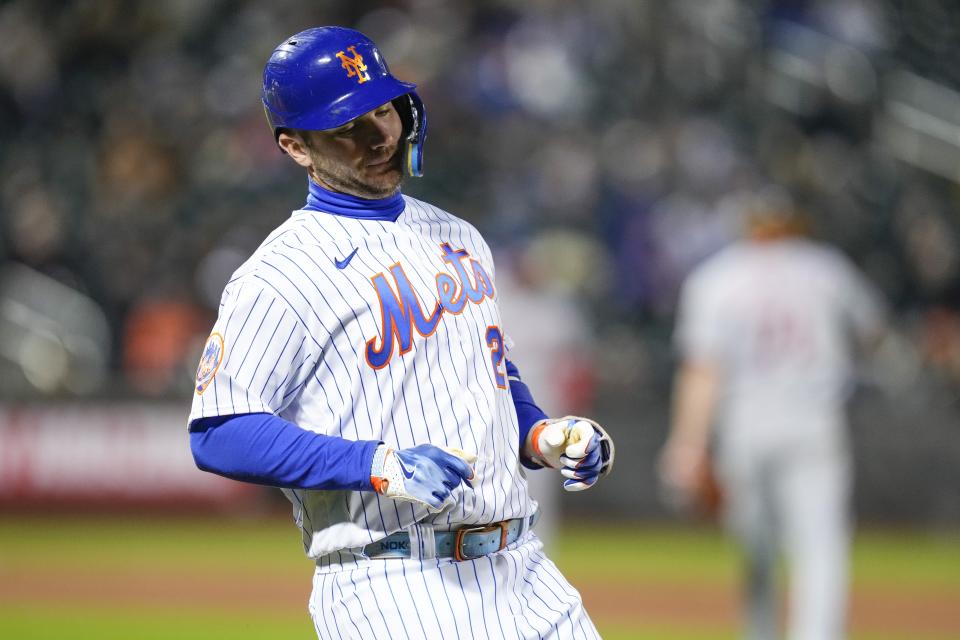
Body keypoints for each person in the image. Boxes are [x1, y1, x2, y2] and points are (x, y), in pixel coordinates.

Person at [187, 26, 614, 639]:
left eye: (382, 109)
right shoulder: (280, 275)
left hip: (525, 569)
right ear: (295, 147)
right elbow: (219, 432)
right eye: (346, 125)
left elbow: (489, 371)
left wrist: (541, 432)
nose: (379, 135)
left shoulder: (458, 235)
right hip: (395, 584)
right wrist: (376, 465)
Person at [658, 190, 886, 640]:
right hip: (814, 423)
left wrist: (687, 444)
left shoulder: (716, 277)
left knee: (756, 551)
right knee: (820, 549)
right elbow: (874, 333)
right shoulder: (825, 269)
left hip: (745, 427)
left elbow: (702, 370)